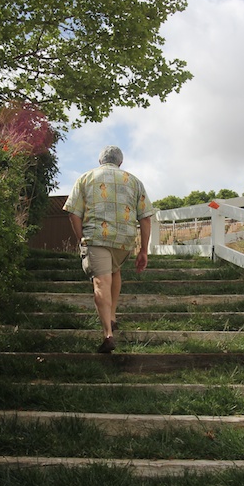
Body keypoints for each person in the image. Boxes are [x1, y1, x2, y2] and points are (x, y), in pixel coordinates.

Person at [63, 145, 154, 353]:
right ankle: (112, 317)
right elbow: (146, 218)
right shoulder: (133, 180)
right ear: (120, 162)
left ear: (100, 161)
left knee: (101, 281)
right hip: (124, 240)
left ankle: (108, 335)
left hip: (96, 237)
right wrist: (143, 250)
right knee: (114, 271)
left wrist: (81, 239)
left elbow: (73, 213)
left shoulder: (85, 178)